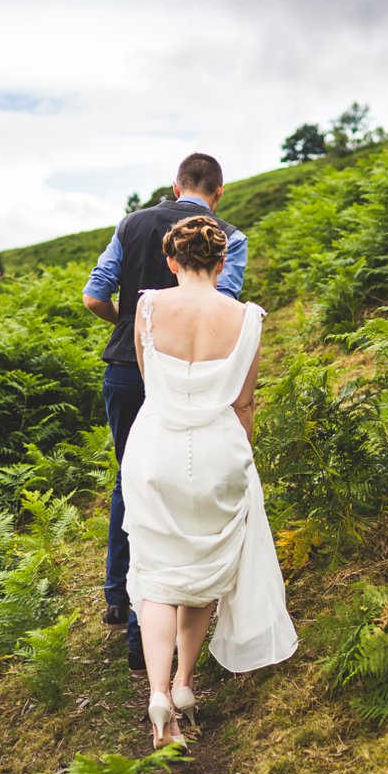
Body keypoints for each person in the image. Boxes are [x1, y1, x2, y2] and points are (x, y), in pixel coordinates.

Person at [122, 214, 297, 749]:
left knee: (157, 576)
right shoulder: (247, 317)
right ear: (222, 264)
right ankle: (184, 685)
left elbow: (153, 385)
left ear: (171, 262)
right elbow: (243, 402)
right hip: (220, 447)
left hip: (156, 449)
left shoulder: (148, 307)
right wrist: (240, 456)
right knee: (202, 574)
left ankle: (156, 700)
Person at [82, 153, 247, 672]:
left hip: (127, 370)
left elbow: (92, 296)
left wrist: (127, 321)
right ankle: (179, 611)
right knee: (183, 480)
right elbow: (222, 308)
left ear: (176, 187)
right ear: (218, 192)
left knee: (130, 479)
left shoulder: (131, 223)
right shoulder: (231, 237)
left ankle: (119, 597)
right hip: (193, 379)